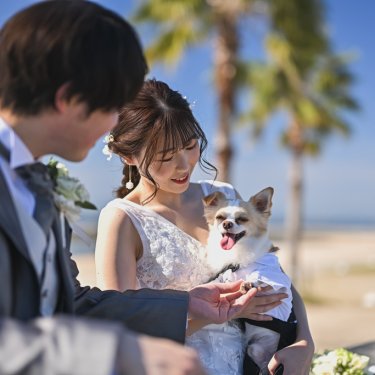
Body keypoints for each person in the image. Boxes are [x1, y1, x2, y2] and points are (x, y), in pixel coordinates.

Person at [0, 2, 268, 374]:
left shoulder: (37, 184)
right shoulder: (120, 215)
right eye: (111, 105)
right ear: (67, 99)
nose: (113, 126)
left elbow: (72, 303)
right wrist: (114, 353)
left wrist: (187, 305)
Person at [95, 79, 315, 375]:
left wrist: (304, 343)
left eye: (190, 146)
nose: (184, 165)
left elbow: (275, 274)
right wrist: (216, 315)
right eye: (165, 156)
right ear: (128, 156)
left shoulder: (223, 195)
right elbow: (120, 332)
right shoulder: (122, 219)